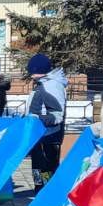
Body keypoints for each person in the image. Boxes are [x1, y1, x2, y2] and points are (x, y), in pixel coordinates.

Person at [25, 53, 67, 187]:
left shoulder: (52, 86)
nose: (31, 75)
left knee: (46, 171)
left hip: (48, 137)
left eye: (32, 72)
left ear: (39, 71)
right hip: (39, 135)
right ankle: (39, 191)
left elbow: (57, 115)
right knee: (37, 170)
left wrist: (37, 118)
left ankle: (46, 193)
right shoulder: (42, 84)